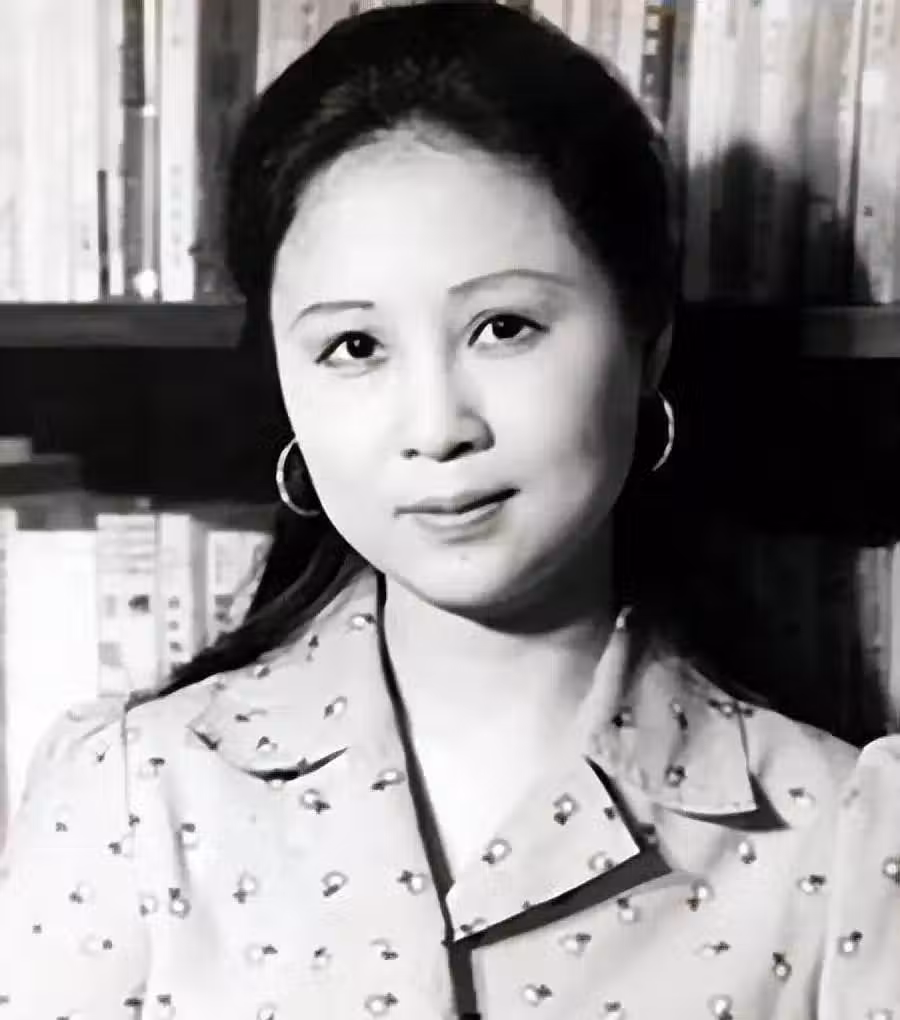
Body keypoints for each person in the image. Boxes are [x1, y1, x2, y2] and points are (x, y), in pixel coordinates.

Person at [1, 3, 898, 1017]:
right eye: (354, 347)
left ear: (647, 341)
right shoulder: (129, 798)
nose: (436, 428)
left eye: (504, 326)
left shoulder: (845, 842)